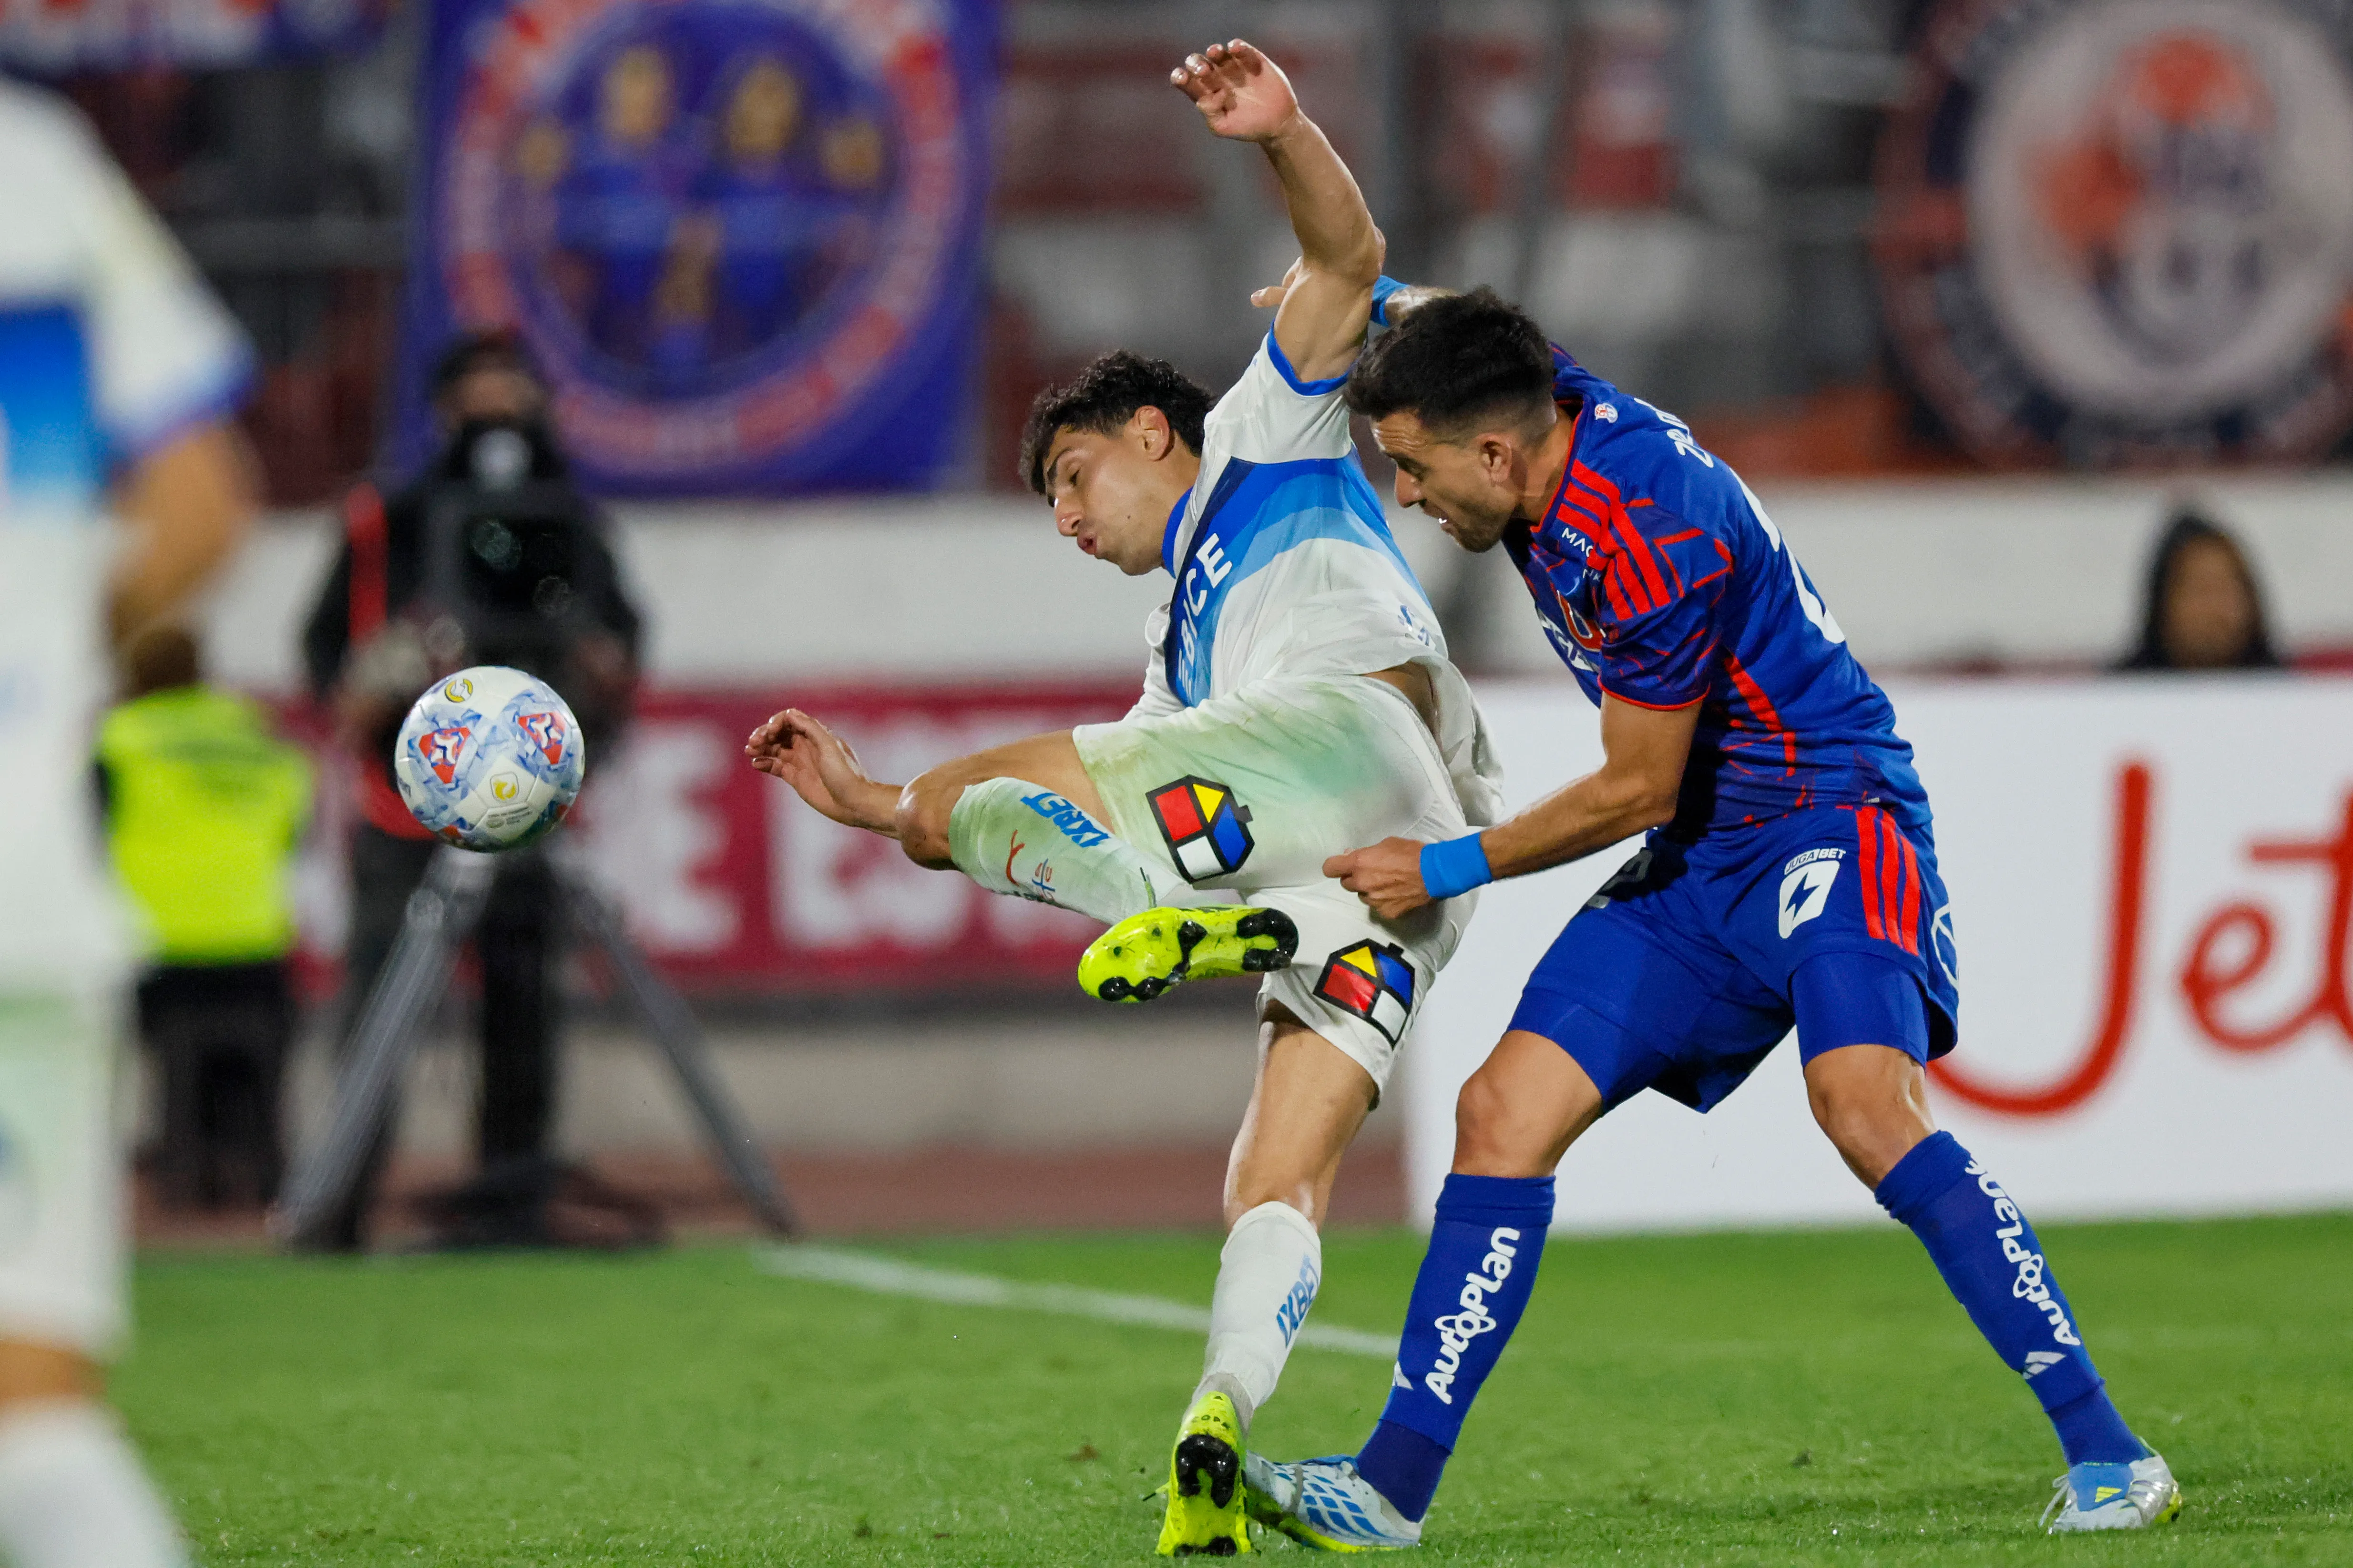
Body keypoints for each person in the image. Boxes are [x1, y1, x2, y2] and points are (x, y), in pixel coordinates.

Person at [1234, 288, 2182, 1547]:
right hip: (1705, 853)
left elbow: (1635, 787)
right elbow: (1444, 311)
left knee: (1862, 1103)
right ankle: (1388, 1488)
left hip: (1830, 816)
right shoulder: (1537, 398)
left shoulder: (1645, 532)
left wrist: (1446, 865)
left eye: (1411, 467)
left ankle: (2111, 1450)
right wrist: (1332, 238)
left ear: (1497, 455)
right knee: (1501, 1111)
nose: (1405, 494)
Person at [745, 41, 1500, 1558]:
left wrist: (1280, 132)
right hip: (1415, 872)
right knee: (1273, 1177)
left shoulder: (1261, 433)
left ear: (1153, 430)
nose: (1068, 519)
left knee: (963, 793)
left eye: (1075, 479)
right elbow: (1095, 794)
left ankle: (1193, 910)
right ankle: (1219, 1415)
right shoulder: (1177, 665)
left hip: (1347, 735)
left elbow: (1346, 259)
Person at [0, 77, 260, 1568]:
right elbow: (202, 508)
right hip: (21, 887)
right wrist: (45, 659)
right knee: (35, 1426)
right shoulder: (30, 166)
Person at [300, 331, 642, 1251]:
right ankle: (339, 1206)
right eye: (479, 406)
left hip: (527, 804)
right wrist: (373, 680)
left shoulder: (570, 523)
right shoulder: (387, 523)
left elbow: (616, 642)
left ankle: (511, 1199)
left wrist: (597, 673)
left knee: (524, 1004)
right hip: (403, 807)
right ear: (443, 413)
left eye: (515, 405)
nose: (500, 430)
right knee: (378, 1008)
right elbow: (327, 651)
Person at [96, 624, 312, 1211]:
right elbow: (296, 821)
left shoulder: (121, 737)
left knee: (176, 1071)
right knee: (253, 1074)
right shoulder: (257, 735)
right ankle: (260, 1176)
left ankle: (187, 1177)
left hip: (161, 945)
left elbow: (85, 833)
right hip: (257, 941)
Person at [2115, 505, 2281, 671]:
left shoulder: (2287, 684)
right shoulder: (2119, 686)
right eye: (2201, 590)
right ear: (2162, 601)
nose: (2215, 607)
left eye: (2226, 590)